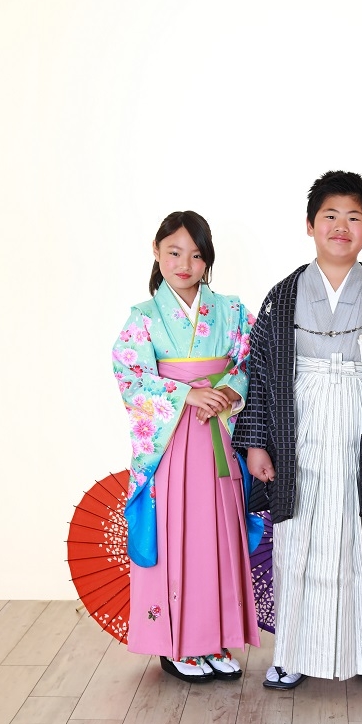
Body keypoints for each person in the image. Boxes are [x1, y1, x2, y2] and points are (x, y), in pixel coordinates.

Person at [232, 171, 362, 690]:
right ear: (310, 224)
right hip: (299, 426)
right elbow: (259, 373)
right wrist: (256, 443)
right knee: (298, 536)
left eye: (353, 218)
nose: (341, 227)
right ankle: (290, 653)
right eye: (330, 216)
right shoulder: (282, 297)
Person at [112, 210, 260, 682]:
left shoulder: (232, 310)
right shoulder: (143, 318)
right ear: (156, 252)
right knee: (177, 534)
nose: (185, 264)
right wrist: (183, 394)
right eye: (174, 252)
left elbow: (249, 359)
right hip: (172, 442)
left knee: (217, 534)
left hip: (218, 434)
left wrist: (231, 389)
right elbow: (132, 375)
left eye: (196, 256)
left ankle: (213, 639)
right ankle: (177, 645)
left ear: (207, 260)